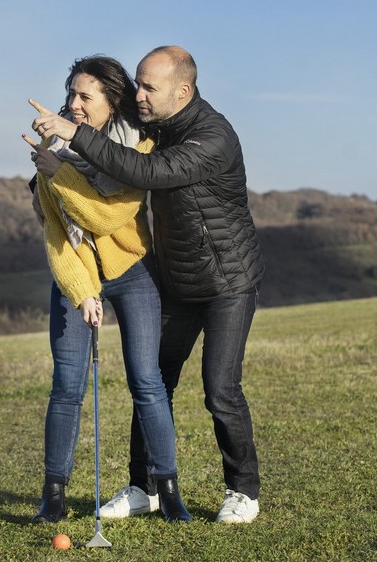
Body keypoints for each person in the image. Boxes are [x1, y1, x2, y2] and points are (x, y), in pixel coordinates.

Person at [30, 46, 265, 524]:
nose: (139, 95)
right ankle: (145, 487)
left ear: (183, 91)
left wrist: (74, 140)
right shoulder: (153, 127)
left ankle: (243, 489)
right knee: (155, 379)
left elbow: (146, 173)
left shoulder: (212, 137)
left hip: (227, 282)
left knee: (220, 389)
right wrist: (58, 162)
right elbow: (67, 206)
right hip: (176, 280)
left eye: (149, 88)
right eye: (137, 84)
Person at [25, 55, 191, 524]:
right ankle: (53, 496)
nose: (74, 104)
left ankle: (167, 489)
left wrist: (60, 172)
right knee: (66, 387)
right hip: (76, 276)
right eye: (71, 95)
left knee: (147, 382)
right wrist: (80, 290)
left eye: (85, 97)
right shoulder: (51, 149)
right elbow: (56, 230)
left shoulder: (138, 148)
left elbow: (106, 216)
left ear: (110, 102)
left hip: (133, 272)